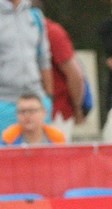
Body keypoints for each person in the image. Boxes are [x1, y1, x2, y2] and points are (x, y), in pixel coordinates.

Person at [34, 0, 86, 141]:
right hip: (22, 110)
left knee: (55, 159)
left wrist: (76, 107)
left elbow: (75, 75)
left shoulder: (52, 32)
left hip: (56, 111)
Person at [0, 0, 52, 131]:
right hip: (4, 102)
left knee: (40, 151)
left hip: (37, 100)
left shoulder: (34, 15)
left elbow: (44, 59)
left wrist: (48, 98)